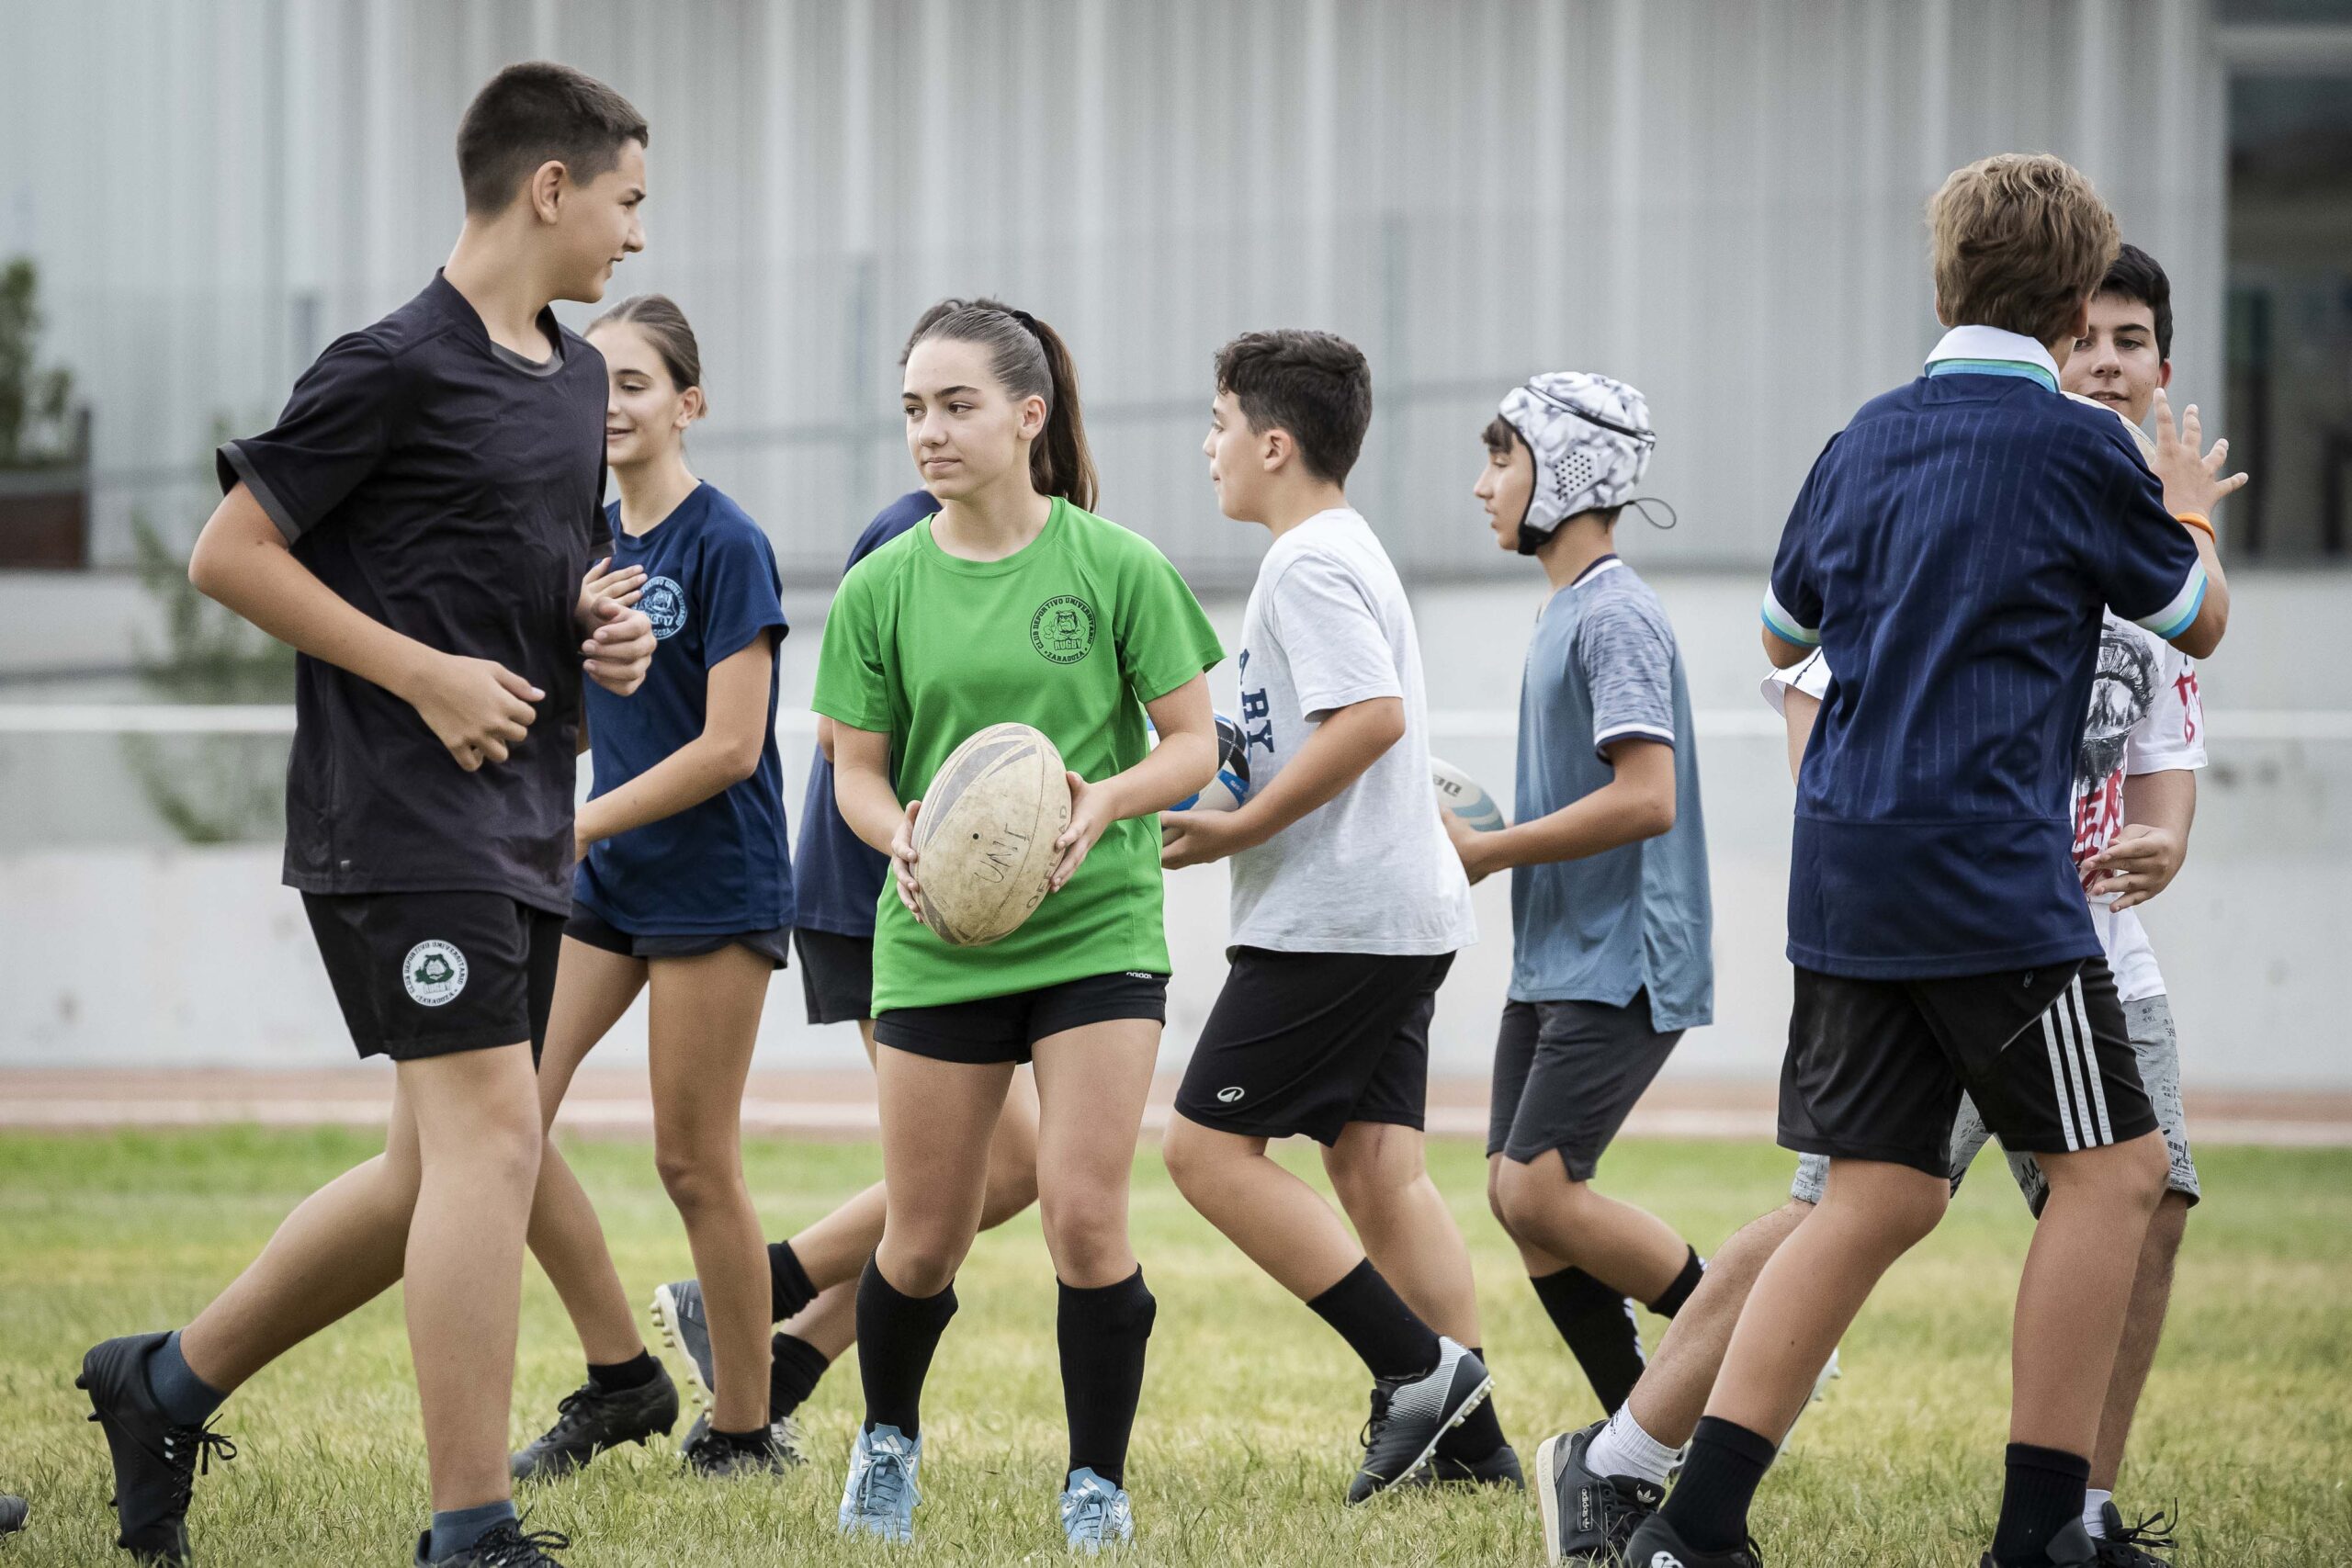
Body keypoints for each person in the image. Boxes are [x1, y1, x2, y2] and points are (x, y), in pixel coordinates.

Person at [1539, 244, 2211, 1568]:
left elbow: (1786, 632)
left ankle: (1696, 1522)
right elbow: (2200, 617)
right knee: (2120, 1174)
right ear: (2071, 312)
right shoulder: (2078, 455)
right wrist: (2184, 515)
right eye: (2102, 329)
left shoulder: (1868, 440)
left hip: (1857, 882)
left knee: (1878, 1194)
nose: (2111, 357)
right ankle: (2040, 1526)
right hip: (1990, 888)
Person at [79, 62, 656, 1568]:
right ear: (550, 187)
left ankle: (166, 1381)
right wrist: (422, 676)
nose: (634, 238)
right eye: (627, 200)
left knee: (434, 1164)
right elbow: (231, 553)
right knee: (489, 1146)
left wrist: (600, 624)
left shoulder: (581, 376)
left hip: (525, 815)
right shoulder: (388, 361)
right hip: (399, 816)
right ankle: (470, 1523)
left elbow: (539, 570)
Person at [817, 298, 1225, 1549]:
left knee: (1084, 1214)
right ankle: (887, 1442)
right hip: (937, 934)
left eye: (957, 405)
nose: (928, 432)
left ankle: (1095, 1482)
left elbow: (1194, 743)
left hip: (1096, 927)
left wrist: (1106, 800)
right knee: (924, 1234)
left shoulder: (1116, 566)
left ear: (1028, 416)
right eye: (913, 410)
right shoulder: (882, 583)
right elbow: (857, 773)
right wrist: (902, 839)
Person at [1159, 330, 1505, 1503]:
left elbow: (1369, 720)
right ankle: (1470, 1448)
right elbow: (1281, 748)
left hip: (1338, 921)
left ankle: (1415, 1372)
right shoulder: (1332, 551)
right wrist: (1193, 807)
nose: (1205, 448)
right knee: (1377, 1174)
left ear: (1271, 441)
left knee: (1205, 1154)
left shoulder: (1305, 565)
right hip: (1393, 914)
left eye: (1215, 424)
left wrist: (1239, 835)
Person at [640, 487, 1044, 1468]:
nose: (940, 427)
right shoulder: (915, 526)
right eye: (931, 404)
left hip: (974, 908)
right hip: (879, 894)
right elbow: (837, 730)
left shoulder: (1060, 542)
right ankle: (763, 1287)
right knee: (994, 1170)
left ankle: (781, 1353)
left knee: (978, 1181)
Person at [502, 294, 797, 1482]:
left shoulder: (726, 542)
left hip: (712, 879)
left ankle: (742, 1425)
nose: (608, 403)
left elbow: (732, 743)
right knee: (500, 1118)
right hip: (605, 872)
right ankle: (622, 1373)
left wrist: (577, 821)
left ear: (688, 402)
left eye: (632, 381)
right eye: (591, 381)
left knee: (691, 1158)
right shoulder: (578, 538)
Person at [1445, 373, 1714, 1426]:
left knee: (1537, 1190)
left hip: (1625, 952)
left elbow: (1647, 800)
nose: (1482, 485)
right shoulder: (1565, 609)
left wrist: (1491, 850)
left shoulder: (1615, 615)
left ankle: (1728, 1323)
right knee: (1522, 1210)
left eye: (1501, 458)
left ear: (1567, 470)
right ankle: (1640, 1429)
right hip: (1558, 953)